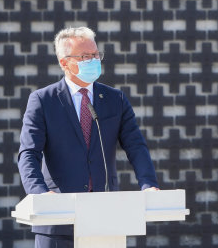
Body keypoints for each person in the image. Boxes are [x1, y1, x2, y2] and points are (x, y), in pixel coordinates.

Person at [18, 27, 159, 248]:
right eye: (85, 57)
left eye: (96, 55)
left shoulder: (115, 99)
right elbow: (28, 153)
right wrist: (40, 194)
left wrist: (148, 184)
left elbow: (136, 146)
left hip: (106, 218)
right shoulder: (43, 100)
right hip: (58, 221)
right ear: (64, 63)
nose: (94, 60)